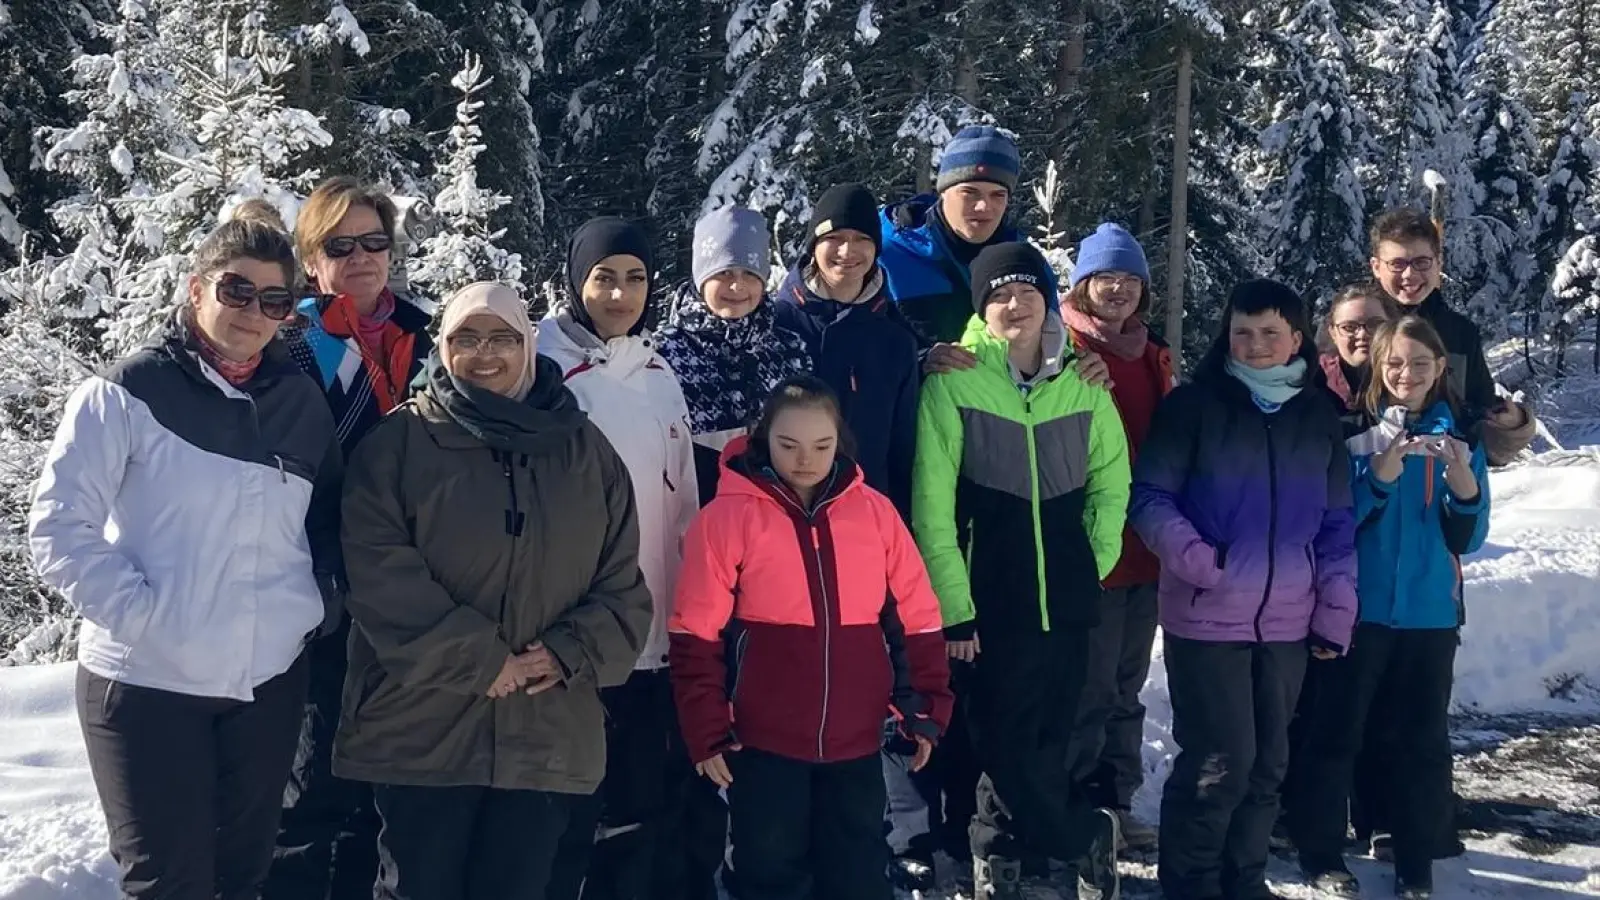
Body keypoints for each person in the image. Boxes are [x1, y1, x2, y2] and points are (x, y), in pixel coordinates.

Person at [28, 219, 343, 900]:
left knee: (243, 879)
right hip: (147, 686)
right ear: (197, 289)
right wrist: (149, 618)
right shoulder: (129, 392)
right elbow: (58, 527)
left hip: (265, 685)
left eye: (274, 301)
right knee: (171, 886)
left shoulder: (299, 405)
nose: (253, 313)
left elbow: (326, 527)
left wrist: (308, 609)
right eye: (237, 290)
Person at [334, 282, 653, 900]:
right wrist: (482, 660)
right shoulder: (400, 446)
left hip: (545, 729)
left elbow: (623, 586)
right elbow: (376, 573)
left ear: (528, 346)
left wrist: (565, 653)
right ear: (443, 347)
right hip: (423, 731)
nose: (485, 354)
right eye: (465, 338)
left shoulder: (586, 452)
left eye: (503, 337)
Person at [670, 375, 954, 900]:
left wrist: (924, 705)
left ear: (839, 442)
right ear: (763, 438)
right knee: (767, 871)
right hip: (762, 743)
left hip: (855, 742)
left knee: (857, 870)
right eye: (789, 445)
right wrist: (707, 726)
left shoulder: (875, 514)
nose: (806, 459)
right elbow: (695, 631)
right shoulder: (727, 518)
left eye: (821, 446)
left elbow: (916, 615)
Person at [913, 241, 1130, 900]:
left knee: (1049, 732)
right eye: (1000, 294)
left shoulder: (1082, 383)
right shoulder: (955, 380)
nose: (1015, 304)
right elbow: (932, 507)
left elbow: (1112, 485)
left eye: (1027, 291)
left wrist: (1088, 564)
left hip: (1067, 597)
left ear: (1047, 300)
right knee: (997, 735)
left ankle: (1010, 854)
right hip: (990, 599)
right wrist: (956, 605)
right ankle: (1079, 835)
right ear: (983, 305)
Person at [1130, 278, 1359, 900]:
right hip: (1207, 618)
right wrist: (1202, 563)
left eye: (1269, 333)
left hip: (1288, 622)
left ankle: (1244, 881)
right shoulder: (1194, 406)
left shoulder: (1317, 415)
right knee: (1218, 764)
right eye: (1242, 333)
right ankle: (1191, 886)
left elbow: (1337, 522)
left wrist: (1335, 608)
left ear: (1297, 339)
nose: (1255, 345)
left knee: (1267, 768)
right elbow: (1149, 498)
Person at [536, 217, 719, 900]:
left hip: (653, 633)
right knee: (572, 805)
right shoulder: (543, 368)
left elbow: (684, 510)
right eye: (604, 277)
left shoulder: (658, 372)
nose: (619, 294)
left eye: (635, 278)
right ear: (576, 281)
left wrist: (691, 617)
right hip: (576, 631)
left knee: (640, 803)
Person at [268, 175, 436, 900]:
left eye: (375, 241)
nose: (363, 257)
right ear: (312, 260)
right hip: (321, 581)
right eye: (342, 245)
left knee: (393, 779)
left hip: (417, 583)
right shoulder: (290, 344)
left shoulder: (429, 334)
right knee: (314, 775)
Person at [1291, 317, 1489, 900]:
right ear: (1378, 367)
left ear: (1439, 369)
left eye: (1420, 363)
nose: (1407, 374)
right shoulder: (1352, 433)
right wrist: (1376, 478)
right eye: (1395, 363)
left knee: (1420, 742)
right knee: (1336, 735)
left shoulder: (1462, 439)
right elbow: (1335, 523)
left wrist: (1464, 485)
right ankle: (1322, 852)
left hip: (1430, 617)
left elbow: (1468, 539)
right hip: (1359, 611)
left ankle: (1414, 860)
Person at [1059, 223, 1175, 853]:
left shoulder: (1151, 353)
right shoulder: (1064, 349)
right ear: (1084, 283)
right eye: (1107, 278)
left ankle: (1117, 802)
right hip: (1094, 549)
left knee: (1126, 687)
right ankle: (1078, 807)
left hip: (1146, 550)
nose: (1119, 290)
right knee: (1090, 687)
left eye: (1131, 280)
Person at [774, 182, 922, 518]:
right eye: (835, 238)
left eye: (861, 239)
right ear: (814, 246)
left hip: (865, 518)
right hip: (781, 518)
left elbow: (903, 453)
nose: (847, 251)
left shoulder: (895, 341)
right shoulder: (776, 324)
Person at [655, 206, 811, 504]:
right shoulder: (666, 354)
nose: (737, 286)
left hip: (776, 520)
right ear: (701, 277)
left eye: (750, 274)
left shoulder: (789, 349)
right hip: (697, 521)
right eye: (724, 272)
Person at [1367, 208, 1535, 465]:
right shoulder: (1355, 327)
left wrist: (1511, 426)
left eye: (1421, 262)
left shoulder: (1459, 333)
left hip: (1444, 483)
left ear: (1438, 263)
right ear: (1376, 267)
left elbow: (1481, 417)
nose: (1409, 275)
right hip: (1368, 475)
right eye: (1397, 264)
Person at [879, 125, 1026, 352]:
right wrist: (920, 361)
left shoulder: (1022, 261)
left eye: (998, 195)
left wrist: (1079, 360)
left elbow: (1050, 337)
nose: (984, 206)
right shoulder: (888, 253)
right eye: (970, 192)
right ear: (943, 191)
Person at [1318, 282, 1400, 412]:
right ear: (1333, 333)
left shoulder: (1412, 377)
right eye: (1349, 327)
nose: (1362, 334)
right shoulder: (1312, 379)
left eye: (1375, 324)